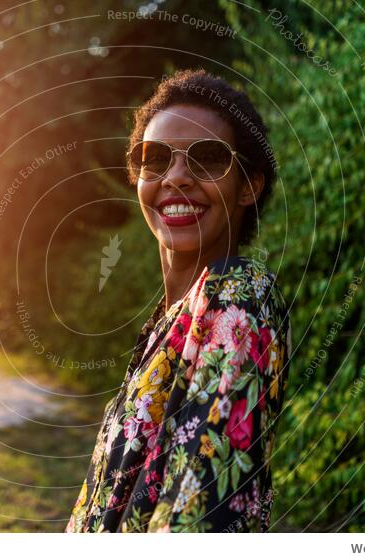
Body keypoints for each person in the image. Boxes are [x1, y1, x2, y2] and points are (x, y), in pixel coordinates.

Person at [66, 69, 291, 533]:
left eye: (207, 159)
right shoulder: (166, 325)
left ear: (249, 186)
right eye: (155, 159)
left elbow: (196, 519)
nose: (176, 178)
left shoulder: (238, 303)